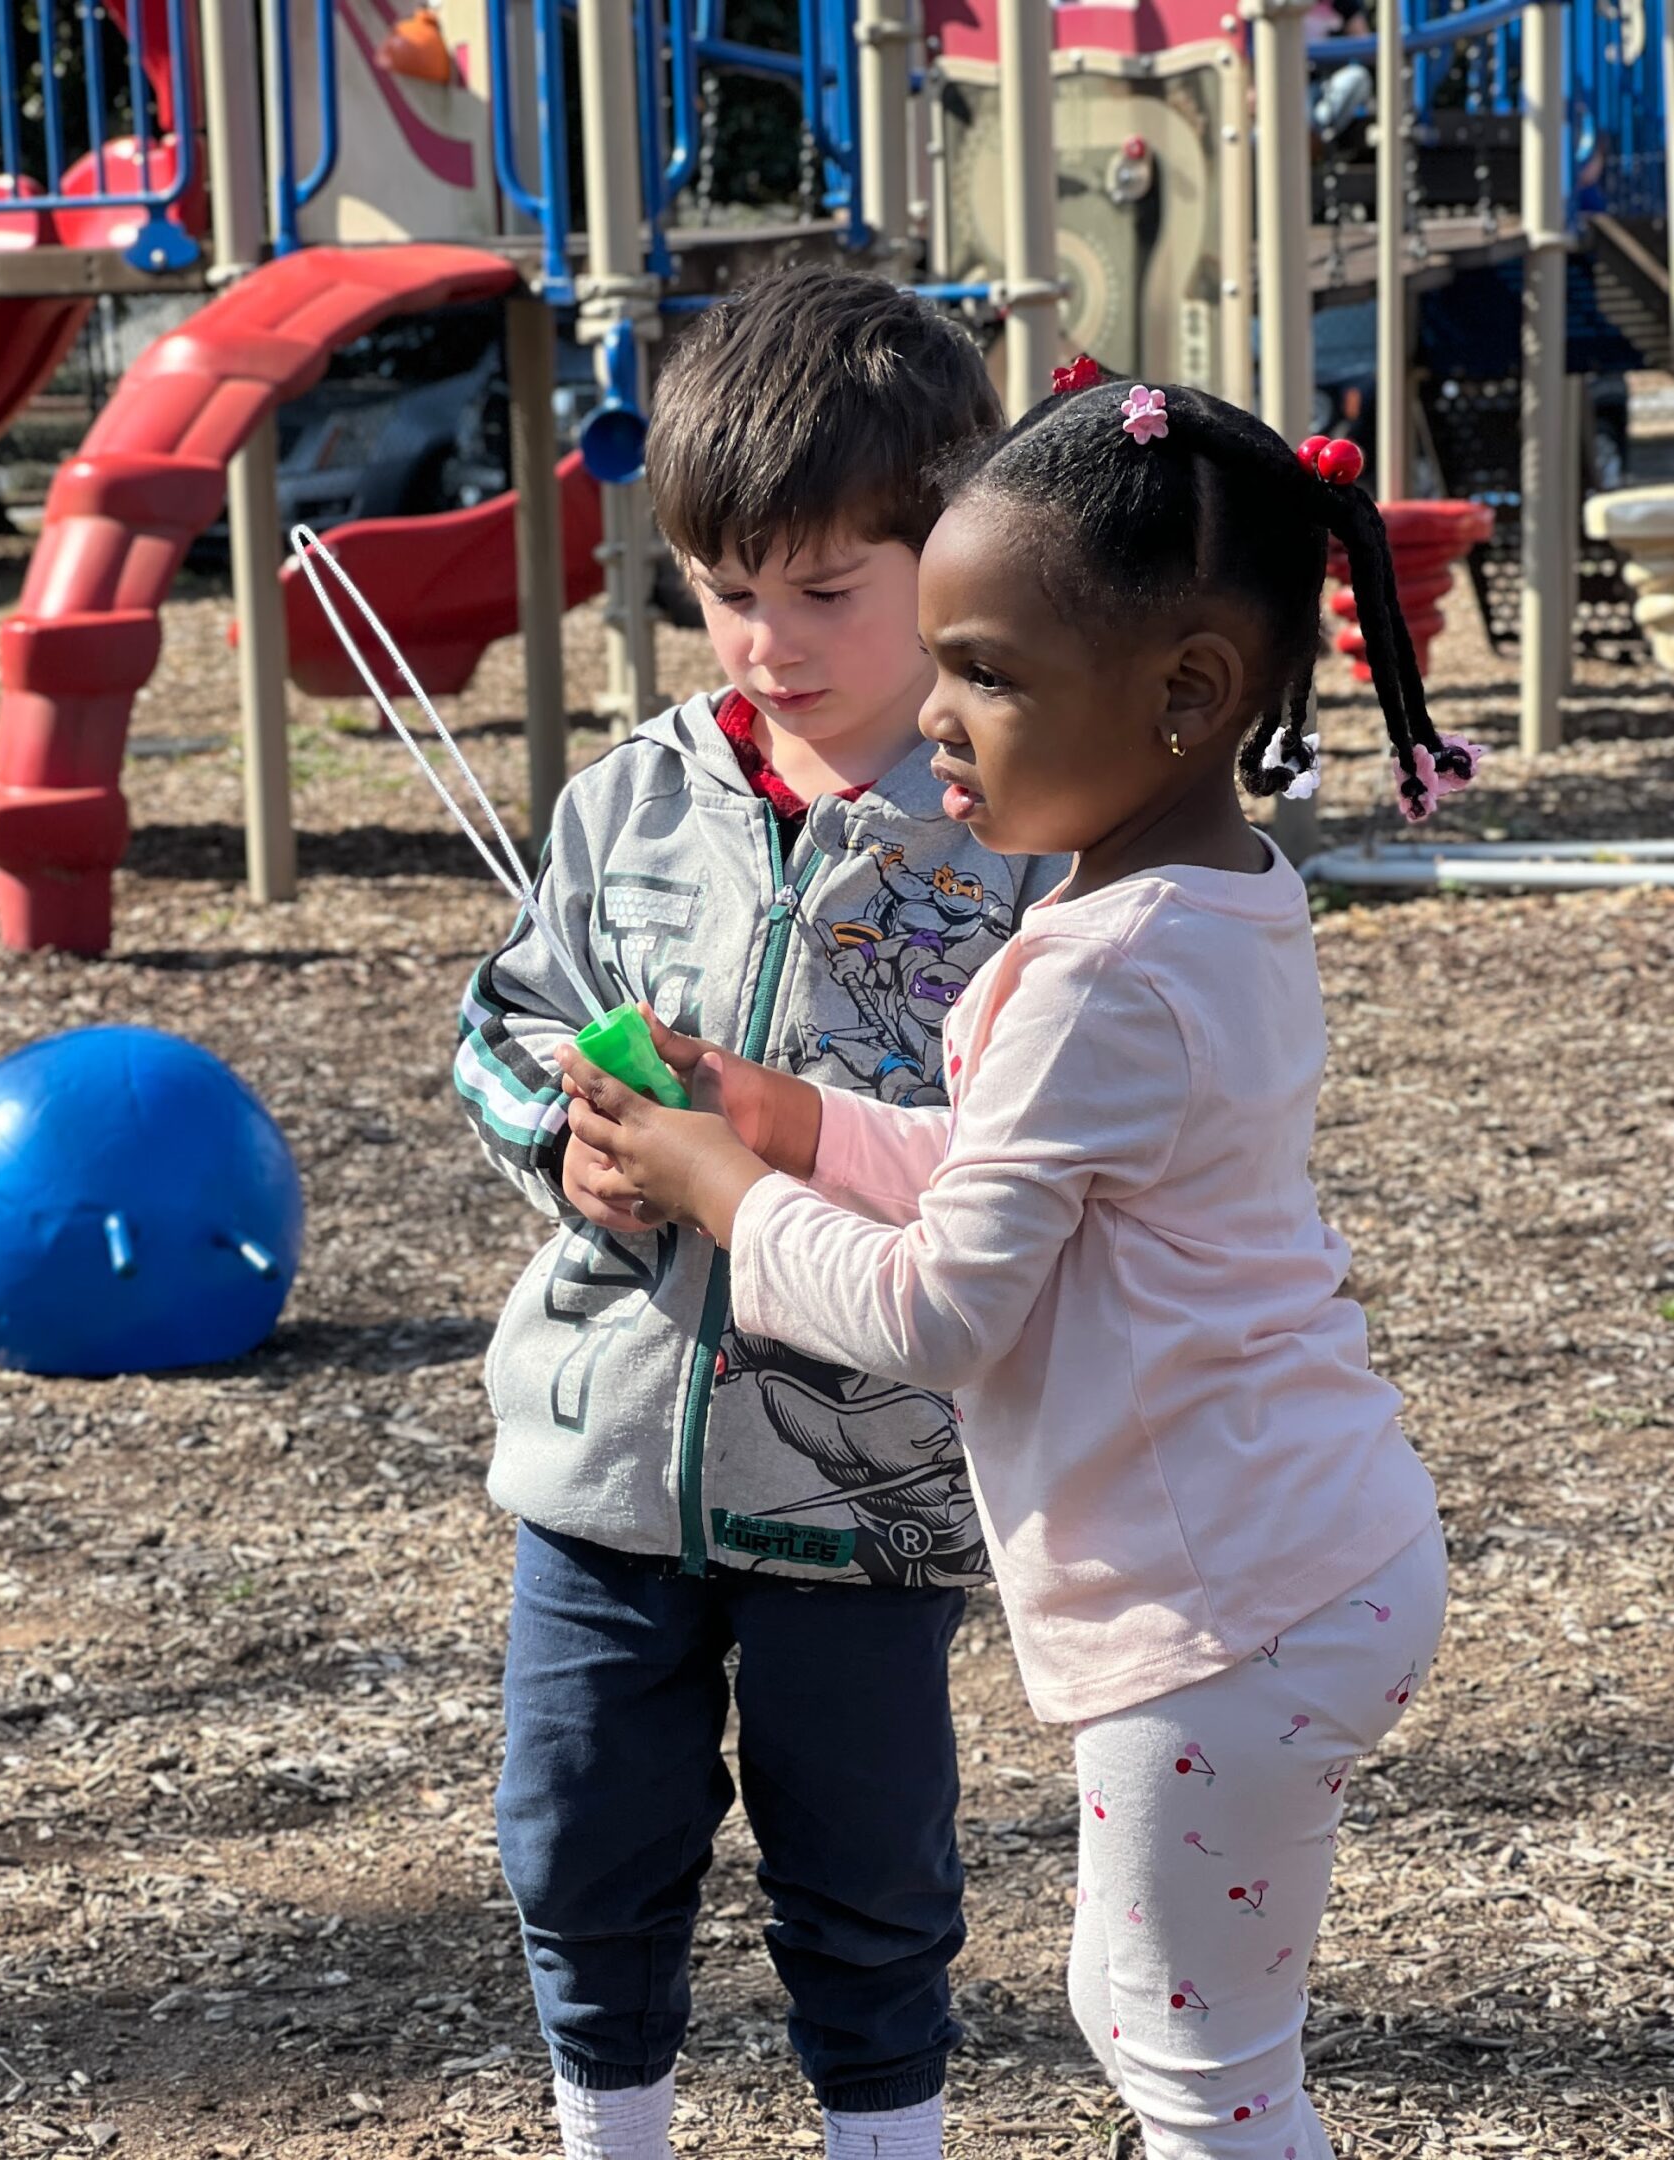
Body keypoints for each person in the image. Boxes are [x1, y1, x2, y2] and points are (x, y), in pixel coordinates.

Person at [555, 371, 1463, 2160]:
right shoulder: (1206, 900)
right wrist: (796, 1120)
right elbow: (1018, 1189)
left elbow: (939, 1310)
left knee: (1191, 2068)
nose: (941, 717)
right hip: (1307, 1550)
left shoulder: (1094, 970)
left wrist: (717, 1179)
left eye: (986, 673)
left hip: (1221, 1610)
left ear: (1187, 696)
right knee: (1165, 2024)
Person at [453, 264, 1064, 2160]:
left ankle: (885, 2134)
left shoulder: (1018, 838)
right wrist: (553, 1145)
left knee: (866, 1856)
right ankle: (605, 2123)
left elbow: (1019, 1148)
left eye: (825, 593)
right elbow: (505, 1019)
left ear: (945, 563)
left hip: (870, 1470)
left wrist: (791, 1143)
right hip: (604, 1446)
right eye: (726, 592)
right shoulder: (627, 802)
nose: (767, 641)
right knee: (573, 1827)